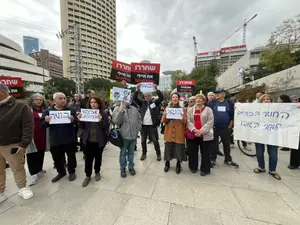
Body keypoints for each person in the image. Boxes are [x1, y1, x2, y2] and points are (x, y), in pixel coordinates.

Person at [0, 83, 34, 202]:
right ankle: (1, 192)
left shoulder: (20, 106)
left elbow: (28, 127)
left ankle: (22, 188)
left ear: (1, 92)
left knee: (17, 168)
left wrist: (24, 144)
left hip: (13, 144)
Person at [41, 92, 77, 183]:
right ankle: (61, 172)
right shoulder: (48, 111)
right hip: (55, 139)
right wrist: (46, 121)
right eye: (60, 98)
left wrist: (73, 120)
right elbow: (43, 125)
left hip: (69, 138)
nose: (63, 100)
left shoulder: (71, 110)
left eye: (64, 98)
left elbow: (77, 122)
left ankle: (71, 171)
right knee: (57, 158)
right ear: (54, 101)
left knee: (71, 157)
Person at [78, 96, 109, 187]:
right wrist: (80, 120)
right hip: (88, 140)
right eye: (91, 102)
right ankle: (88, 175)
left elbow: (105, 126)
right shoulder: (86, 113)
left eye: (95, 102)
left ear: (99, 103)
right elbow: (82, 126)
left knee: (98, 157)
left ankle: (97, 171)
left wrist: (99, 120)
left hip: (99, 140)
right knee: (88, 159)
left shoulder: (103, 113)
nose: (93, 104)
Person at [207, 88, 239, 168]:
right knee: (213, 144)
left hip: (226, 127)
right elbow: (207, 114)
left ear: (224, 94)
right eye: (216, 93)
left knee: (226, 144)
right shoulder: (212, 103)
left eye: (219, 93)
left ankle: (228, 159)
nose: (217, 94)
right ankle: (213, 159)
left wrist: (230, 126)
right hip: (214, 127)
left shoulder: (229, 103)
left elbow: (232, 115)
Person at [133, 83, 164, 161]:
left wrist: (156, 89)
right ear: (144, 97)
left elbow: (161, 98)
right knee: (143, 141)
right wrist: (137, 89)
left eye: (148, 95)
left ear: (151, 96)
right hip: (143, 126)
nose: (147, 97)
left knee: (155, 141)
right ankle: (144, 153)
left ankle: (158, 154)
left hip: (152, 126)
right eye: (146, 96)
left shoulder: (154, 103)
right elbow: (134, 98)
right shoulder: (142, 103)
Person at [254, 94, 281, 180]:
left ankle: (272, 170)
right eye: (264, 99)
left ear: (271, 101)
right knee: (259, 152)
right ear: (261, 101)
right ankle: (261, 167)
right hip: (260, 135)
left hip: (272, 135)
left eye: (268, 99)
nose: (266, 100)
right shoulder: (256, 110)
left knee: (273, 154)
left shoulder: (277, 110)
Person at [112, 97, 141, 178]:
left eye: (128, 99)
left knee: (131, 153)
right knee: (123, 153)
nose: (126, 101)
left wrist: (138, 128)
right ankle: (122, 168)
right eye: (125, 99)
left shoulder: (134, 109)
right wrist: (120, 111)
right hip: (123, 136)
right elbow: (116, 121)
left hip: (133, 136)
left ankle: (131, 166)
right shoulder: (117, 109)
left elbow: (139, 119)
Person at [187, 94, 214, 176]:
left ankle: (204, 169)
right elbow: (188, 121)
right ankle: (193, 167)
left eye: (200, 98)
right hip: (193, 134)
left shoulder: (208, 110)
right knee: (192, 152)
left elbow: (210, 122)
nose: (198, 100)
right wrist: (195, 130)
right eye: (197, 98)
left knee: (205, 153)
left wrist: (201, 131)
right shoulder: (190, 109)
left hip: (205, 134)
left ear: (203, 100)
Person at [161, 93, 187, 174]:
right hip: (169, 132)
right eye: (173, 97)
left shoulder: (182, 109)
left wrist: (182, 116)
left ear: (179, 99)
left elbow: (185, 122)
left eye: (176, 97)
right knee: (168, 148)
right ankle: (167, 163)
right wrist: (164, 115)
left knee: (178, 148)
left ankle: (178, 164)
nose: (175, 98)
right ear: (171, 99)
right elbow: (163, 121)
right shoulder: (167, 108)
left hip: (179, 132)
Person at [26, 94, 48, 186]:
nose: (39, 101)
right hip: (32, 136)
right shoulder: (28, 110)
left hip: (42, 135)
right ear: (32, 100)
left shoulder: (43, 110)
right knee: (32, 154)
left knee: (41, 152)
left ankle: (39, 169)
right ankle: (33, 174)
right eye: (37, 99)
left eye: (41, 100)